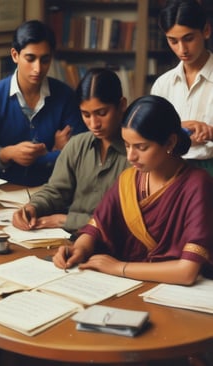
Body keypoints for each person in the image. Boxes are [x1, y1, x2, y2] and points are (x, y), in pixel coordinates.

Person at [53, 95, 213, 286]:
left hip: (169, 292)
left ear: (170, 143)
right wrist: (80, 248)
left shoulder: (197, 184)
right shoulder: (129, 179)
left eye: (141, 147)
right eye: (127, 145)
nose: (131, 156)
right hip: (124, 286)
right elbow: (96, 227)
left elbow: (187, 272)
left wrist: (119, 268)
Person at [12, 68, 129, 233]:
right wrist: (33, 207)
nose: (94, 124)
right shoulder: (77, 145)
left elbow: (125, 219)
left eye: (101, 113)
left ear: (122, 105)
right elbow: (55, 191)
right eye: (86, 115)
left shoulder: (137, 155)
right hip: (65, 239)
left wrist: (66, 220)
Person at [0, 20, 87, 187]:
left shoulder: (65, 96)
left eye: (45, 60)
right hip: (2, 191)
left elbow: (80, 151)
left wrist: (45, 156)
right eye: (30, 58)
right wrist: (9, 153)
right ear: (15, 55)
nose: (38, 68)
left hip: (53, 190)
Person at [151, 0, 213, 176]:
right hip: (170, 170)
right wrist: (175, 129)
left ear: (206, 31)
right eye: (173, 41)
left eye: (189, 38)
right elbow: (151, 137)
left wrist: (211, 133)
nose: (182, 49)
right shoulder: (162, 85)